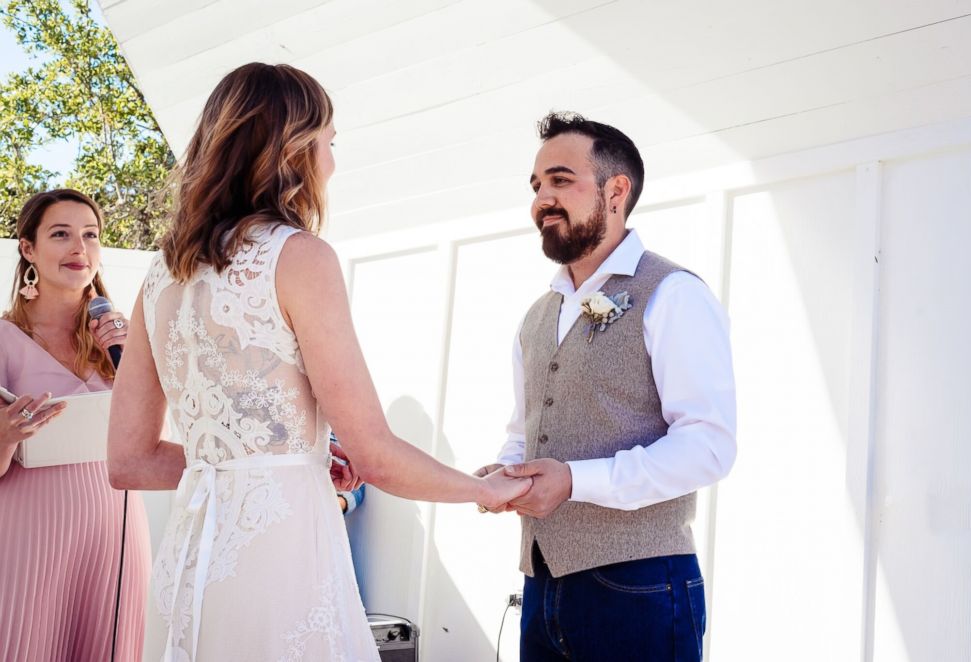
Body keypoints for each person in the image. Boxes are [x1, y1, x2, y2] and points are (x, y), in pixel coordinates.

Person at [106, 62, 531, 662]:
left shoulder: (160, 275)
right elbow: (375, 454)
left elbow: (130, 461)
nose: (333, 161)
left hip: (193, 559)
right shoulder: (300, 258)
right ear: (293, 149)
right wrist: (482, 490)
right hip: (282, 559)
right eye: (330, 142)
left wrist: (282, 460)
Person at [475, 112, 737, 662]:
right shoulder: (535, 315)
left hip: (639, 587)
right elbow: (525, 431)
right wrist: (508, 472)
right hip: (542, 583)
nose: (543, 198)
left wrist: (574, 482)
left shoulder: (673, 294)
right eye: (537, 185)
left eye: (561, 180)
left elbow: (708, 447)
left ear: (616, 191)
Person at [0, 189, 151, 662]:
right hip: (30, 527)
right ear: (28, 249)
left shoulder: (124, 341)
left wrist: (128, 361)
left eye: (90, 235)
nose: (79, 248)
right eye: (60, 234)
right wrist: (5, 436)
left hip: (116, 523)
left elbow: (157, 431)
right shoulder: (3, 339)